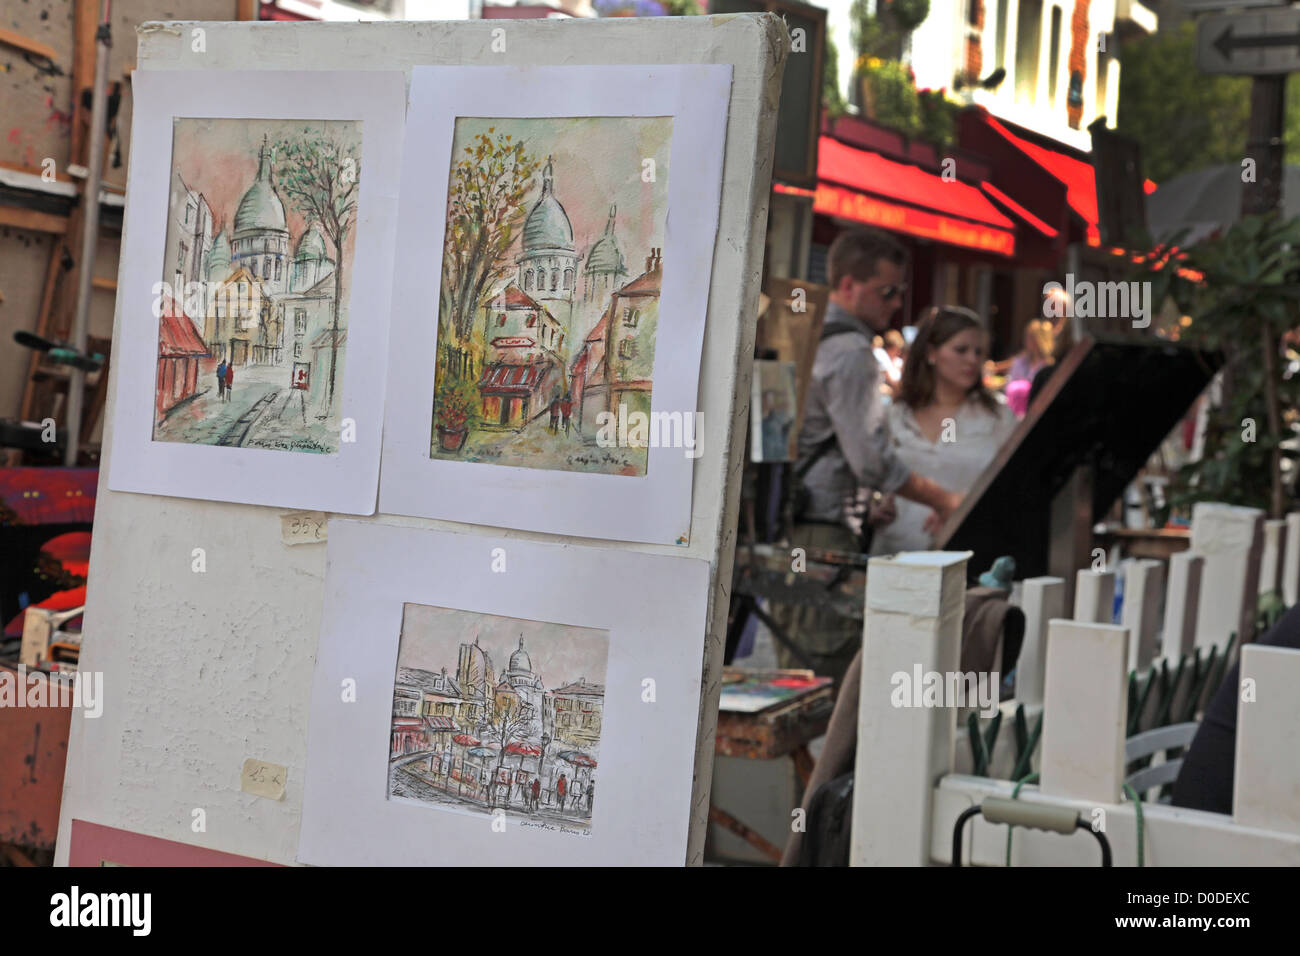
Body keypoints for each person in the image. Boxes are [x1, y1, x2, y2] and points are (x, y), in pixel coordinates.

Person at [772, 228, 963, 685]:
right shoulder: (852, 351)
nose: (896, 302)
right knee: (828, 677)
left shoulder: (802, 330)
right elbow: (873, 461)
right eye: (887, 291)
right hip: (821, 531)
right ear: (848, 286)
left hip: (788, 522)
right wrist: (942, 500)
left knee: (800, 674)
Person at [870, 306, 1017, 554]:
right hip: (895, 554)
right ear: (931, 353)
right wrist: (873, 505)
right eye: (961, 350)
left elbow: (1015, 486)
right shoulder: (896, 414)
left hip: (968, 555)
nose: (972, 360)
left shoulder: (998, 417)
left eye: (979, 352)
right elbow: (870, 471)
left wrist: (964, 506)